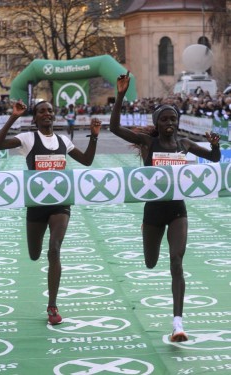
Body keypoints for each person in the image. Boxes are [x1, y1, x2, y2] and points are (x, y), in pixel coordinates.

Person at [110, 72, 221, 342]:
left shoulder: (185, 144)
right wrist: (121, 95)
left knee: (176, 262)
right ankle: (146, 235)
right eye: (165, 119)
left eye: (174, 119)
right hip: (153, 213)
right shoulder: (149, 142)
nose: (170, 123)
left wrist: (216, 146)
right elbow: (114, 128)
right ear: (156, 124)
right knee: (150, 262)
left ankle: (178, 324)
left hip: (177, 212)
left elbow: (214, 159)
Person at [0, 100, 101, 325]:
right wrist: (13, 116)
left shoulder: (63, 140)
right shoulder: (28, 138)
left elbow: (88, 161)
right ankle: (46, 282)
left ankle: (52, 306)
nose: (46, 114)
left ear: (54, 115)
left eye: (50, 111)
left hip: (60, 203)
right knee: (34, 254)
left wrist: (94, 136)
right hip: (36, 205)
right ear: (35, 117)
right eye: (41, 111)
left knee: (54, 249)